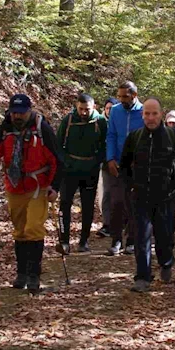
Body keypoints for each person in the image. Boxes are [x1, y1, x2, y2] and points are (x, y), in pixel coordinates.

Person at [0, 94, 61, 293]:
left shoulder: (42, 128)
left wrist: (55, 186)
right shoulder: (5, 128)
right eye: (14, 112)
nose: (17, 116)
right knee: (19, 230)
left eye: (21, 112)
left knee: (34, 228)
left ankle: (34, 275)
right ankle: (22, 274)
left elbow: (57, 159)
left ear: (29, 111)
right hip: (14, 186)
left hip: (38, 186)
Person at [120, 97, 175, 293]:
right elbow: (124, 165)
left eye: (154, 113)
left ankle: (166, 262)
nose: (150, 117)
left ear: (161, 114)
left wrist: (172, 188)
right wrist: (130, 186)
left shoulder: (172, 136)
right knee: (141, 236)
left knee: (164, 236)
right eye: (147, 114)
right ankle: (143, 276)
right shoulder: (134, 137)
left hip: (165, 197)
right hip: (140, 196)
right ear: (142, 115)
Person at [55, 93, 107, 254]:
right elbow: (58, 144)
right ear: (76, 106)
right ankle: (64, 241)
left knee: (87, 206)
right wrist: (65, 161)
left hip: (89, 170)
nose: (84, 112)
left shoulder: (100, 121)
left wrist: (96, 161)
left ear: (94, 107)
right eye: (81, 109)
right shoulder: (69, 120)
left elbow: (105, 144)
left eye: (87, 109)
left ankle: (83, 241)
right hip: (70, 170)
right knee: (64, 204)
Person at [105, 81, 144, 256]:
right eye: (119, 96)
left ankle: (132, 240)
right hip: (118, 164)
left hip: (137, 166)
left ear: (134, 95)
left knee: (135, 203)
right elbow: (111, 135)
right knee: (117, 202)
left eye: (125, 96)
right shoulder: (115, 110)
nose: (121, 99)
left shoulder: (144, 112)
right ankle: (116, 240)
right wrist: (110, 158)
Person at [96, 98, 119, 239]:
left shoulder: (120, 121)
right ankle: (107, 224)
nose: (109, 110)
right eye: (107, 108)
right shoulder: (99, 123)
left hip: (122, 162)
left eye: (112, 108)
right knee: (106, 193)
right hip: (105, 163)